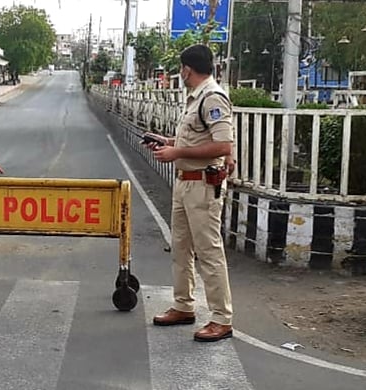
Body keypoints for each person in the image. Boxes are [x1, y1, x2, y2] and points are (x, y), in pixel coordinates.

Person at [143, 44, 235, 342]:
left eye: (180, 69)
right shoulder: (195, 99)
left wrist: (178, 151)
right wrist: (168, 142)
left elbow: (223, 146)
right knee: (181, 248)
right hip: (185, 183)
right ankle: (184, 305)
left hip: (203, 186)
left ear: (186, 69)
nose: (180, 74)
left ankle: (221, 318)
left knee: (208, 252)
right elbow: (197, 138)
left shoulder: (212, 98)